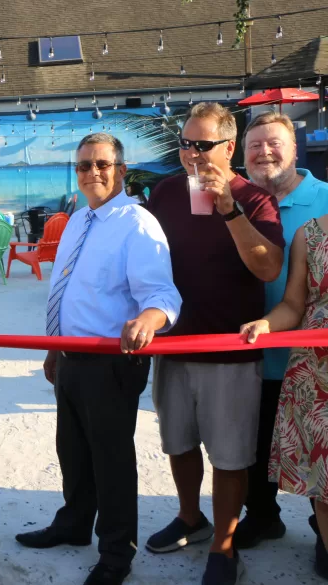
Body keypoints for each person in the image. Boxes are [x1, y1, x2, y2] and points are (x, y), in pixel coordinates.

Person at [14, 134, 182, 585]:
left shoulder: (137, 224)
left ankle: (115, 553)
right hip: (70, 358)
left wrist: (149, 318)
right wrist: (54, 346)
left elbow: (162, 294)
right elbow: (65, 289)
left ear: (121, 170)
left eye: (102, 164)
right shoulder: (78, 220)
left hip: (110, 362)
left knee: (111, 461)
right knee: (72, 451)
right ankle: (73, 525)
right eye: (84, 165)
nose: (93, 172)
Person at [145, 102, 285, 585]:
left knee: (229, 455)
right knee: (177, 443)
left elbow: (267, 268)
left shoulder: (255, 198)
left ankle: (224, 546)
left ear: (229, 147)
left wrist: (228, 207)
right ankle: (190, 518)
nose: (191, 154)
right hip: (173, 346)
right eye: (185, 143)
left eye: (202, 145)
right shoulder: (164, 193)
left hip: (229, 348)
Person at [240, 112, 328, 572]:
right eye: (253, 145)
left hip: (312, 361)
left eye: (273, 143)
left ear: (295, 149)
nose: (263, 152)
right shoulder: (234, 203)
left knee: (321, 452)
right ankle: (262, 516)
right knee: (253, 448)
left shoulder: (323, 202)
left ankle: (321, 528)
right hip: (250, 354)